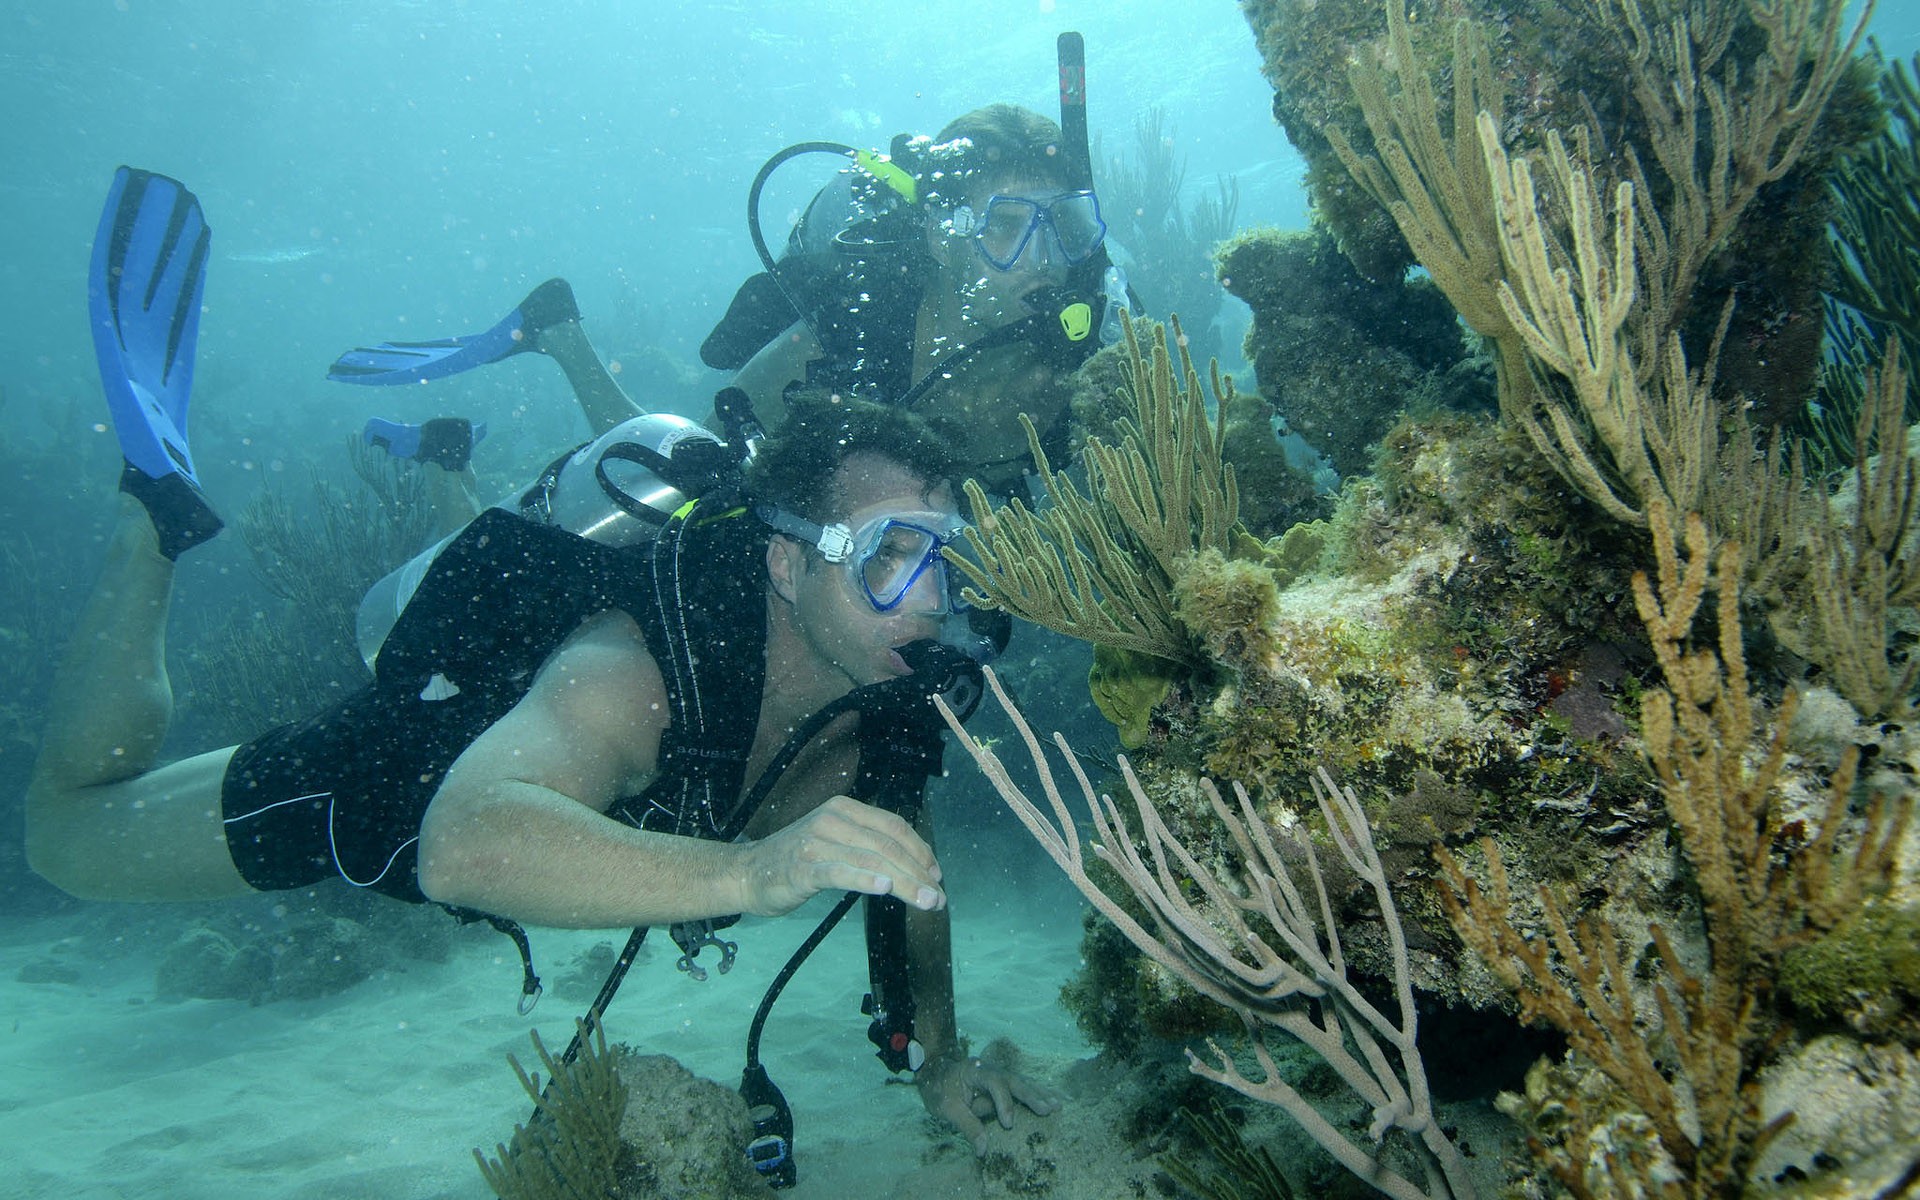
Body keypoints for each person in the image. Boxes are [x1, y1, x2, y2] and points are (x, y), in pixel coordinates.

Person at [29, 166, 1061, 1160]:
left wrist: (940, 1058)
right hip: (400, 785)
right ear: (787, 564)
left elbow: (909, 862)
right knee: (67, 835)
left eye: (944, 555)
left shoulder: (890, 687)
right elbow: (465, 844)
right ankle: (151, 521)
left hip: (542, 769)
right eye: (886, 554)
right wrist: (752, 871)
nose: (929, 601)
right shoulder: (644, 666)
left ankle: (446, 461)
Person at [328, 103, 1122, 499]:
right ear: (943, 234)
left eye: (1065, 227)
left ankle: (451, 444)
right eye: (1007, 228)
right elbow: (688, 456)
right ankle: (557, 339)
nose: (1041, 261)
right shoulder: (861, 321)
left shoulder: (1085, 350)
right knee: (668, 493)